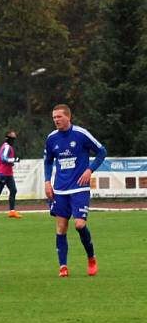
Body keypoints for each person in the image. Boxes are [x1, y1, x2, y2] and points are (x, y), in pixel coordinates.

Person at [44, 104, 107, 277]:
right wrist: (47, 181)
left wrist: (90, 169)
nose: (56, 120)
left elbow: (102, 151)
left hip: (79, 188)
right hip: (60, 189)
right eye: (54, 117)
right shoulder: (51, 138)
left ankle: (91, 257)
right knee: (61, 227)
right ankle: (63, 266)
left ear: (68, 117)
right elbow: (48, 161)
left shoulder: (81, 134)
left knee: (79, 225)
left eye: (59, 117)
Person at [0, 130, 21, 218]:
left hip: (8, 173)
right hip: (2, 173)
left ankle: (12, 211)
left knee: (13, 190)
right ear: (8, 138)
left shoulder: (7, 146)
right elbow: (3, 158)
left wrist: (11, 162)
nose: (13, 140)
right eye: (12, 138)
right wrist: (14, 160)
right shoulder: (7, 147)